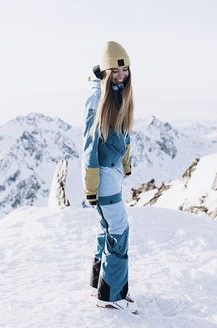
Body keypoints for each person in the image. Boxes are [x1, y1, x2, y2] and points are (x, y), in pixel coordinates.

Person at [82, 41, 137, 313]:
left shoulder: (118, 95)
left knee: (108, 230)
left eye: (125, 70)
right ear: (105, 72)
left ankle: (102, 285)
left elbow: (123, 137)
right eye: (115, 71)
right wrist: (91, 186)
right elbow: (89, 147)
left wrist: (125, 164)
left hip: (112, 174)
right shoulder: (98, 101)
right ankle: (109, 293)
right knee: (119, 230)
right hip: (103, 176)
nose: (121, 75)